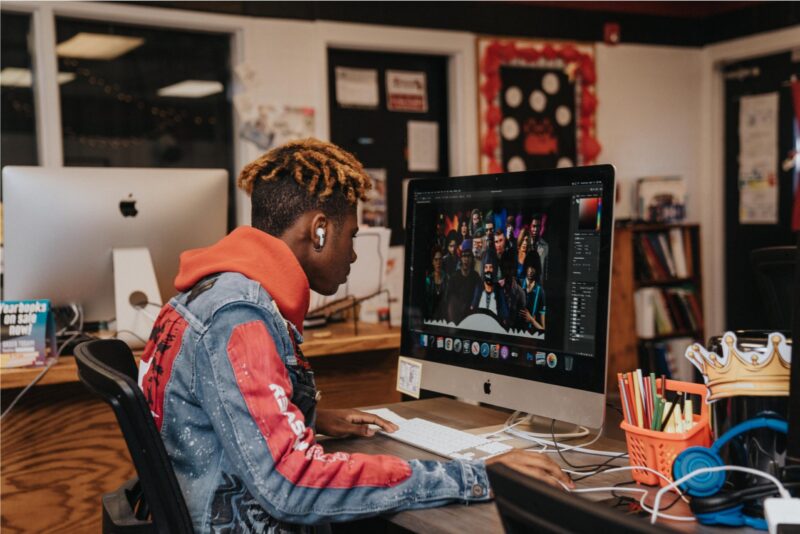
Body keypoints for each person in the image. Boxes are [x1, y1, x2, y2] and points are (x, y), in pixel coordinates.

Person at [138, 138, 571, 532]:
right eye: (352, 236)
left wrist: (303, 416)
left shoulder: (209, 292)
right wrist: (481, 475)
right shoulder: (240, 318)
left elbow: (214, 416)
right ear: (319, 229)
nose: (354, 253)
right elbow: (293, 485)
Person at [447, 240, 481, 323]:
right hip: (456, 317)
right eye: (464, 256)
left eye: (468, 256)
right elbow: (450, 300)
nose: (466, 259)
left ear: (472, 259)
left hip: (471, 317)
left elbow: (477, 296)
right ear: (461, 258)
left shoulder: (475, 276)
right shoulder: (454, 277)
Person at [520, 252, 547, 332]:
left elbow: (542, 329)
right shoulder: (518, 284)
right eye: (529, 267)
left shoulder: (540, 291)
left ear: (537, 269)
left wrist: (531, 320)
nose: (530, 271)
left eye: (533, 267)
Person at [425, 246, 449, 319]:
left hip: (444, 319)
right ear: (432, 262)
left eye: (440, 259)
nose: (438, 262)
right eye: (436, 260)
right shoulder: (428, 280)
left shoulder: (447, 278)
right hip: (431, 318)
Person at [529, 213, 549, 281]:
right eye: (534, 226)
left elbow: (546, 271)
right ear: (530, 227)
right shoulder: (525, 244)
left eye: (538, 227)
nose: (536, 229)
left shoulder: (545, 246)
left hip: (539, 285)